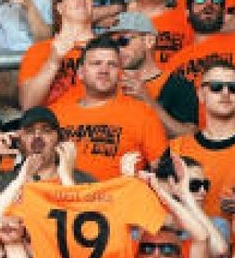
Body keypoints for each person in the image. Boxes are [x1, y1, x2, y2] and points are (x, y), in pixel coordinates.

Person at [48, 35, 168, 180]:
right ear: (80, 72)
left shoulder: (142, 114)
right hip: (61, 197)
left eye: (112, 64)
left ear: (120, 72)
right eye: (96, 63)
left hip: (118, 199)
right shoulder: (55, 113)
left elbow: (164, 173)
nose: (104, 70)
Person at [169, 59, 235, 217]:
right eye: (216, 87)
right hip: (191, 240)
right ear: (201, 94)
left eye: (233, 88)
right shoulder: (176, 148)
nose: (225, 93)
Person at [16, 0, 96, 109]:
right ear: (59, 7)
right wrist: (53, 62)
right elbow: (28, 105)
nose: (81, 1)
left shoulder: (108, 48)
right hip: (56, 125)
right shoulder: (39, 50)